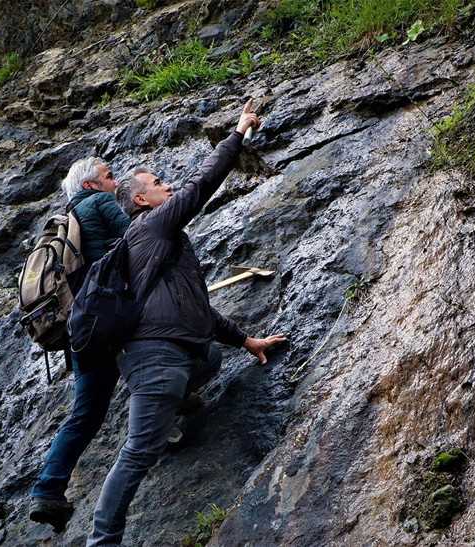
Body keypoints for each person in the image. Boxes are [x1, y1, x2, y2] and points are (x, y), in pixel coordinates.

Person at [86, 99, 286, 546]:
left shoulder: (160, 243)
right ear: (141, 199)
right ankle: (102, 542)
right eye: (159, 183)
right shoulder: (151, 226)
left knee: (210, 356)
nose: (169, 186)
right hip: (155, 359)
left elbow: (194, 311)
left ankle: (175, 405)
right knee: (139, 453)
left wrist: (247, 340)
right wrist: (237, 135)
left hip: (172, 352)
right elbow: (200, 186)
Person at [29, 157, 131, 532]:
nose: (116, 182)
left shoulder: (67, 222)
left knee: (85, 414)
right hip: (110, 316)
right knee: (158, 352)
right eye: (109, 176)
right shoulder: (100, 202)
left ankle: (48, 491)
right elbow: (138, 235)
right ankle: (179, 407)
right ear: (91, 185)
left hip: (80, 328)